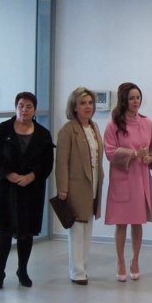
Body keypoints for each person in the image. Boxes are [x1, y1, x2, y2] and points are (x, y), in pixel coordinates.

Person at [0, 92, 54, 290]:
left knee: (26, 233)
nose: (24, 110)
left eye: (29, 106)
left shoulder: (43, 134)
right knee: (4, 231)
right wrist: (8, 174)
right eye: (21, 106)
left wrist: (32, 176)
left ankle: (22, 271)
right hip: (6, 189)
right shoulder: (3, 129)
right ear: (16, 107)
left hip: (30, 190)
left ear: (34, 109)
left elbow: (47, 162)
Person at [103, 83, 152, 282]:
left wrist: (151, 158)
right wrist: (134, 154)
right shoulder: (113, 124)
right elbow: (110, 152)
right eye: (132, 98)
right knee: (121, 224)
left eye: (138, 98)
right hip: (122, 179)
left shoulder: (147, 123)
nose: (136, 102)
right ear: (124, 100)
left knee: (138, 222)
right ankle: (120, 261)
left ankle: (135, 260)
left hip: (141, 178)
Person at [55, 87, 104, 286]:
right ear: (74, 107)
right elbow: (61, 162)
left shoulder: (94, 128)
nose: (87, 107)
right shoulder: (67, 130)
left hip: (93, 185)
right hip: (75, 187)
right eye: (83, 103)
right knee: (76, 229)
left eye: (90, 103)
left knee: (87, 227)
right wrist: (63, 188)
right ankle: (77, 272)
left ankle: (83, 267)